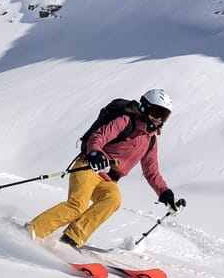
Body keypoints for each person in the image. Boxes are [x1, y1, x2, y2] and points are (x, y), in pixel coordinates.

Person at [27, 88, 184, 249]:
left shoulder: (150, 141)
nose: (159, 119)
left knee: (113, 200)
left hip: (109, 179)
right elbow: (98, 137)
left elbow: (152, 172)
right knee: (77, 206)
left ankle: (71, 239)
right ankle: (33, 230)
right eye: (156, 112)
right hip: (89, 167)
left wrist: (165, 194)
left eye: (164, 115)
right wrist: (96, 153)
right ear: (144, 107)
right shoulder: (125, 121)